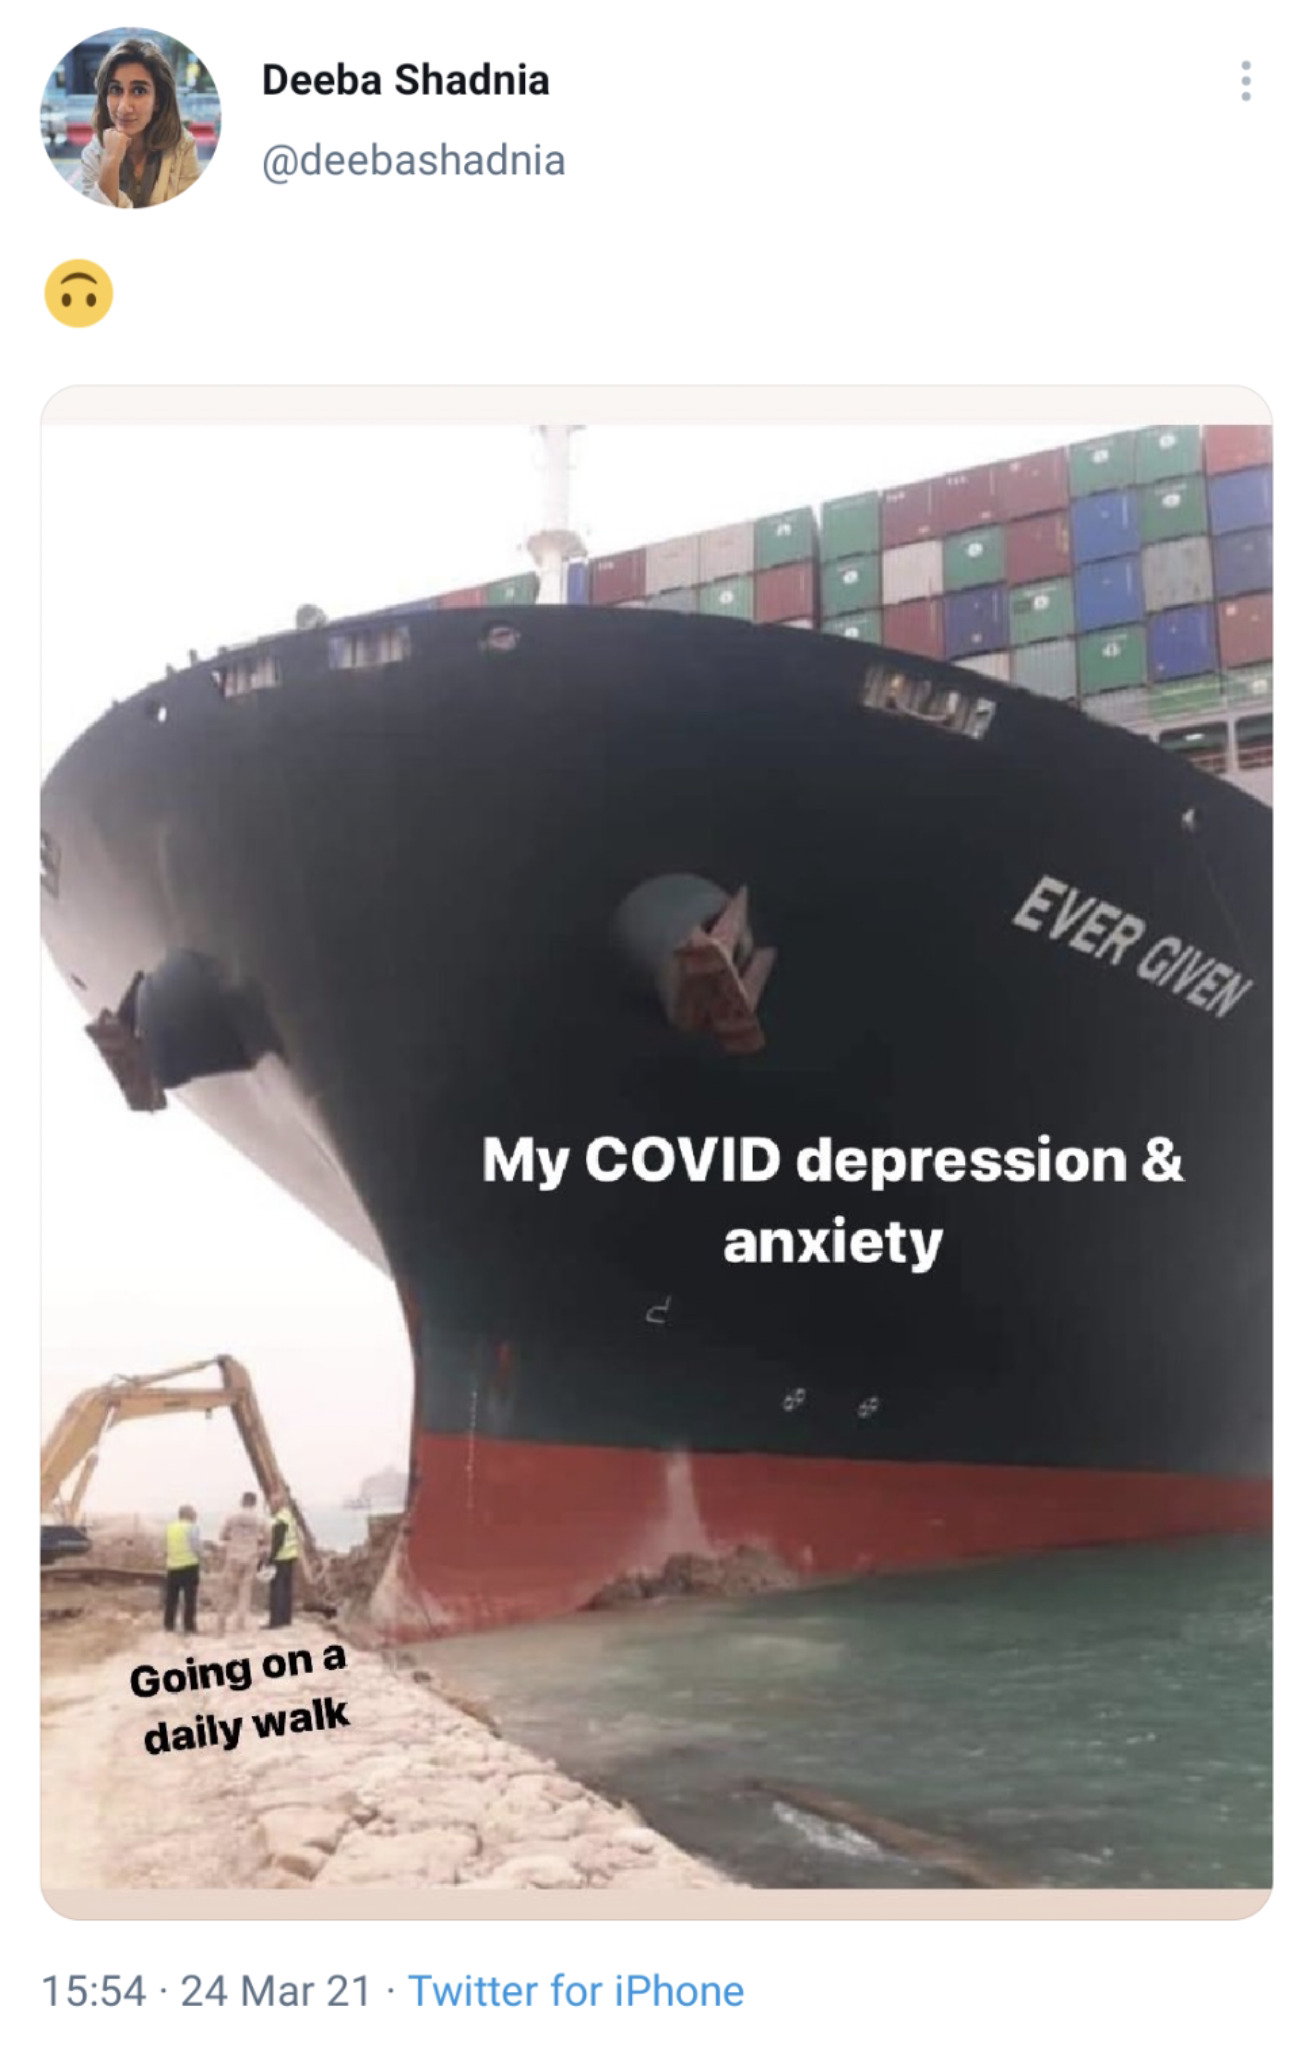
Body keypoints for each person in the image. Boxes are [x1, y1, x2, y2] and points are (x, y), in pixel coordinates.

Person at [77, 38, 201, 211]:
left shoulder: (183, 146)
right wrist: (111, 161)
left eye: (139, 90)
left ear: (158, 100)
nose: (124, 107)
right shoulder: (93, 155)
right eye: (115, 89)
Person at [215, 1490, 263, 1633]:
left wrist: (234, 1538)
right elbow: (267, 1538)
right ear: (254, 1503)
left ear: (242, 1501)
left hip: (234, 1557)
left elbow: (222, 1536)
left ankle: (221, 1620)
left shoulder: (232, 1517)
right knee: (245, 1591)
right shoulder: (260, 1519)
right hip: (250, 1557)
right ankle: (240, 1622)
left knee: (228, 1590)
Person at [162, 1504, 201, 1634]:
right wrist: (203, 1560)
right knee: (190, 1598)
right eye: (194, 1513)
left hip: (172, 1566)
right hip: (189, 1565)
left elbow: (166, 1547)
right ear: (188, 1514)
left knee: (171, 1598)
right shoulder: (192, 1527)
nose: (196, 1515)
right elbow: (196, 1547)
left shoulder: (170, 1528)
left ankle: (168, 1624)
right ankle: (189, 1626)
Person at [265, 1496, 300, 1630]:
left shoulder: (280, 1520)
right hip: (290, 1556)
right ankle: (286, 1618)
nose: (269, 1507)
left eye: (271, 1504)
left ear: (277, 1505)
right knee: (287, 1589)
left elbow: (278, 1541)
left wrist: (270, 1558)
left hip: (281, 1557)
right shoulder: (289, 1517)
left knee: (277, 1590)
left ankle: (276, 1621)